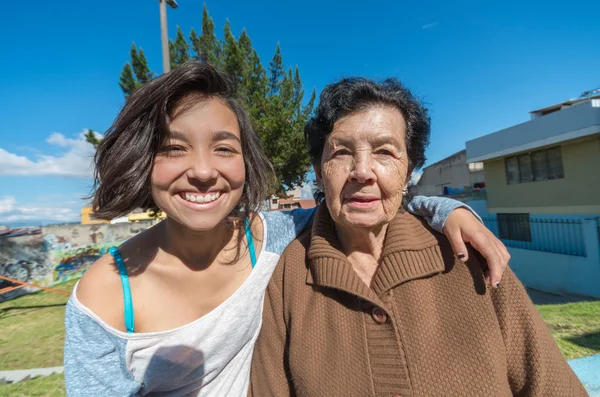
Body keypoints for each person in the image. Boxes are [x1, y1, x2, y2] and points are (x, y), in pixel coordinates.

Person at [64, 62, 509, 396]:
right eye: (173, 149)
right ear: (143, 160)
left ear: (245, 161)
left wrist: (449, 210)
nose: (202, 171)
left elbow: (363, 201)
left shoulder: (274, 237)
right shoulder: (103, 296)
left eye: (224, 148)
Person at [250, 77, 587, 396]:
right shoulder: (288, 275)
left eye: (384, 152)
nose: (362, 172)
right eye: (341, 153)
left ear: (408, 172)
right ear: (320, 173)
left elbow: (551, 385)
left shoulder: (468, 255)